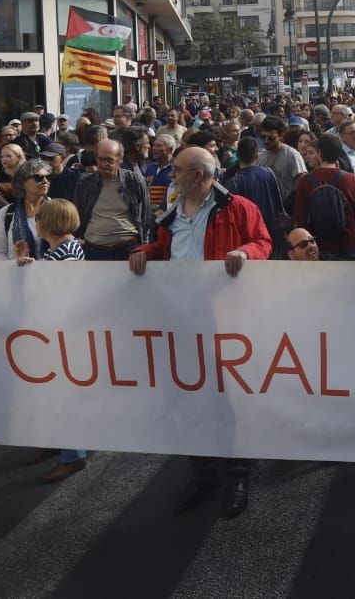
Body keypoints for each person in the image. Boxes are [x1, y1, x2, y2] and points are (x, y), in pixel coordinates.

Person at [130, 147, 269, 519]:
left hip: (223, 320)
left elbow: (263, 243)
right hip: (181, 319)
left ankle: (236, 477)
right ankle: (203, 472)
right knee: (189, 398)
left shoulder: (238, 207)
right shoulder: (174, 210)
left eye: (177, 171)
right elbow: (165, 249)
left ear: (198, 175)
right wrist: (146, 251)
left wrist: (246, 252)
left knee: (228, 401)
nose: (170, 176)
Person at [13, 198, 89, 482]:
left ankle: (72, 455)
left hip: (60, 333)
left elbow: (59, 293)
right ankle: (57, 444)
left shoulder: (66, 252)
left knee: (60, 394)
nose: (36, 221)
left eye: (40, 217)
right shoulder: (62, 249)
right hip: (56, 332)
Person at [74, 139, 152, 261]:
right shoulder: (84, 183)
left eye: (109, 160)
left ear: (119, 160)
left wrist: (144, 247)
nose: (104, 164)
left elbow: (146, 217)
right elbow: (77, 213)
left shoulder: (134, 181)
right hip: (94, 250)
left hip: (128, 249)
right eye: (100, 159)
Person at [0, 159, 53, 260]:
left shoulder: (56, 210)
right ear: (23, 183)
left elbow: (64, 244)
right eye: (38, 177)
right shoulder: (7, 213)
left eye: (48, 177)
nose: (45, 181)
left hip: (48, 272)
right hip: (14, 272)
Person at [256, 116, 305, 200]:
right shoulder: (260, 156)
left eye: (271, 138)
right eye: (263, 137)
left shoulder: (292, 155)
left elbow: (302, 187)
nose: (266, 141)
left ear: (281, 136)